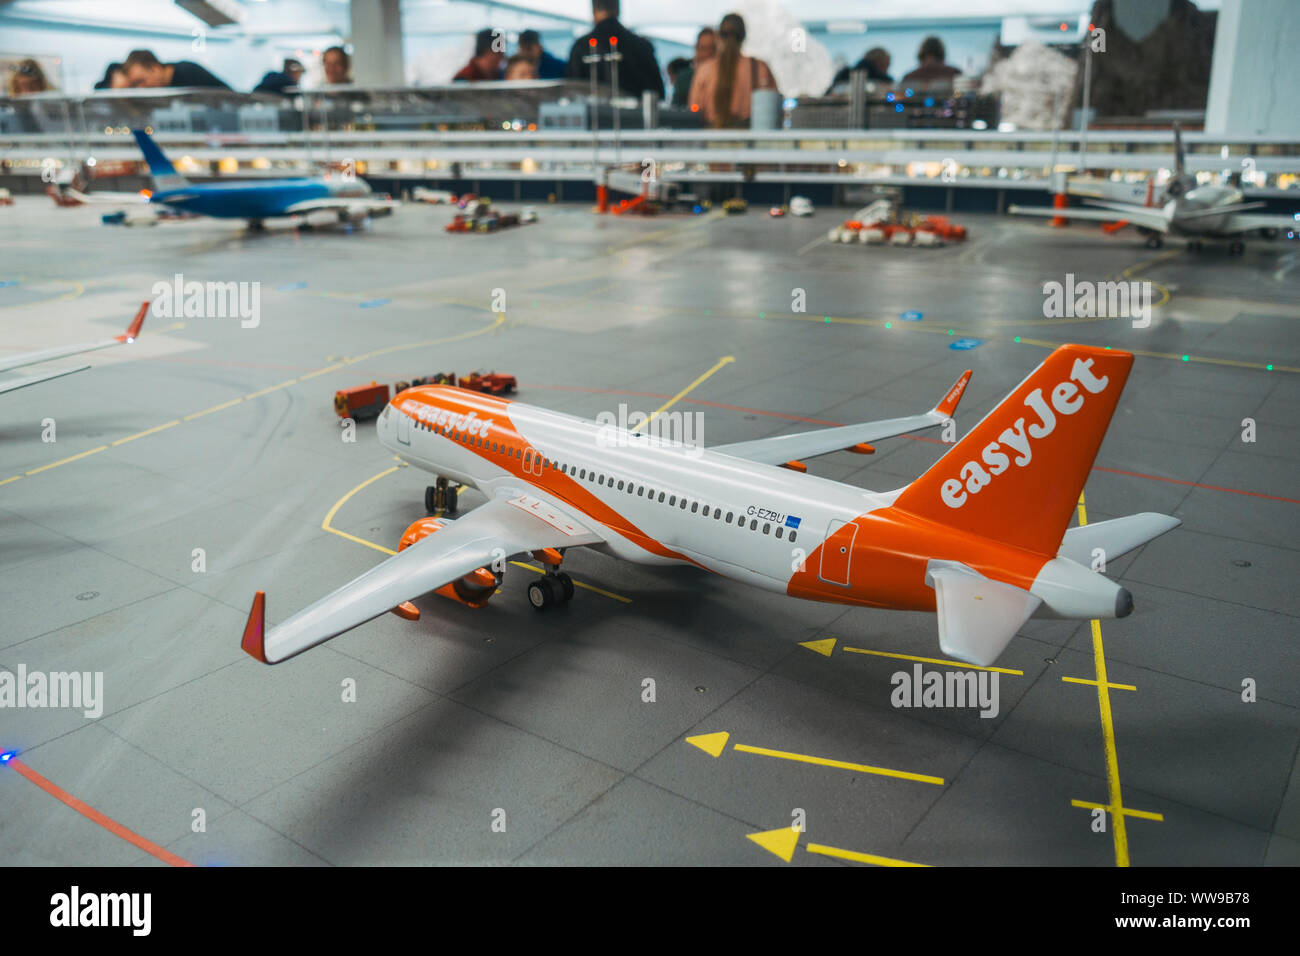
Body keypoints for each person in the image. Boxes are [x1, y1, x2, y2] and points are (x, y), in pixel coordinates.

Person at [687, 13, 776, 128]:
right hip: (748, 139)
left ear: (719, 36)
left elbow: (694, 108)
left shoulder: (705, 70)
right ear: (744, 36)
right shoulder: (759, 68)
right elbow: (772, 109)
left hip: (712, 138)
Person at [565, 0, 664, 100]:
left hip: (594, 114)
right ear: (618, 10)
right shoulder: (642, 46)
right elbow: (658, 93)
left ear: (593, 11)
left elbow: (570, 91)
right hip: (636, 114)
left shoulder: (581, 46)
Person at [122, 49, 230, 89]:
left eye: (141, 81)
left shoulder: (188, 72)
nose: (141, 88)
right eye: (135, 85)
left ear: (155, 68)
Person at [670, 26, 716, 108]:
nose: (708, 53)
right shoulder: (684, 78)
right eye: (703, 48)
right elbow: (675, 110)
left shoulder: (723, 77)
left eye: (712, 49)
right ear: (696, 49)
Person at [826, 46, 893, 93]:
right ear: (879, 62)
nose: (887, 68)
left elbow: (830, 92)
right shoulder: (883, 80)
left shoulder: (845, 73)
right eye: (887, 64)